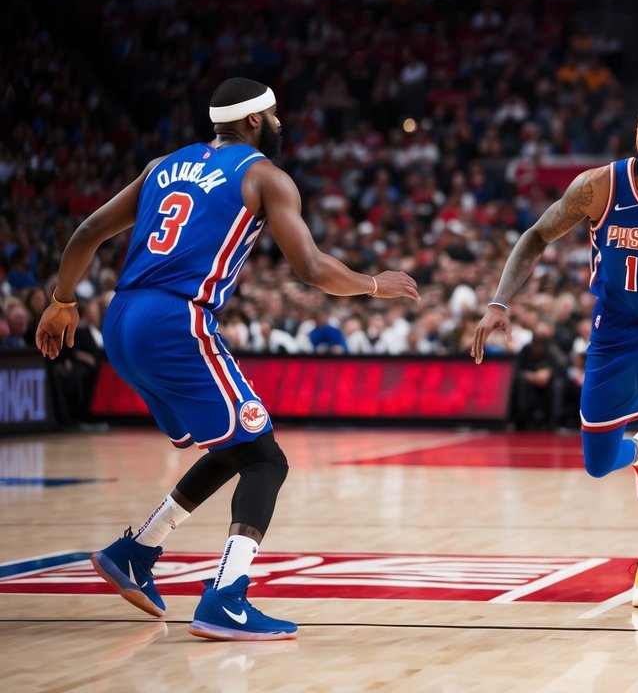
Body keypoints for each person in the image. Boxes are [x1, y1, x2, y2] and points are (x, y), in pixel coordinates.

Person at [35, 78, 419, 640]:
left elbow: (90, 229)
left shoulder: (162, 164)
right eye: (276, 115)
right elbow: (311, 268)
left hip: (120, 318)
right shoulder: (265, 176)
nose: (281, 123)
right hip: (176, 321)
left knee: (238, 445)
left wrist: (62, 300)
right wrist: (374, 284)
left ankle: (135, 552)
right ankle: (226, 599)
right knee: (267, 462)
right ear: (255, 122)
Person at [470, 100, 638, 609]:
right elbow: (537, 235)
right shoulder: (599, 187)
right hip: (615, 329)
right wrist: (499, 301)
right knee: (597, 461)